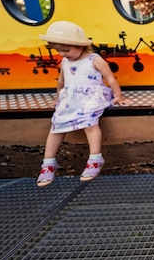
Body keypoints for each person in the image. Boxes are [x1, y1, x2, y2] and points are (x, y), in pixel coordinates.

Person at [36, 21, 127, 187]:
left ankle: (95, 158)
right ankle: (48, 163)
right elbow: (61, 81)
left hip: (92, 97)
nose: (63, 54)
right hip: (70, 99)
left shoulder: (94, 59)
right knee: (56, 126)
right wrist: (59, 99)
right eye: (59, 50)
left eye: (66, 50)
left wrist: (118, 95)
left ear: (80, 45)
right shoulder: (64, 62)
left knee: (90, 123)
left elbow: (110, 77)